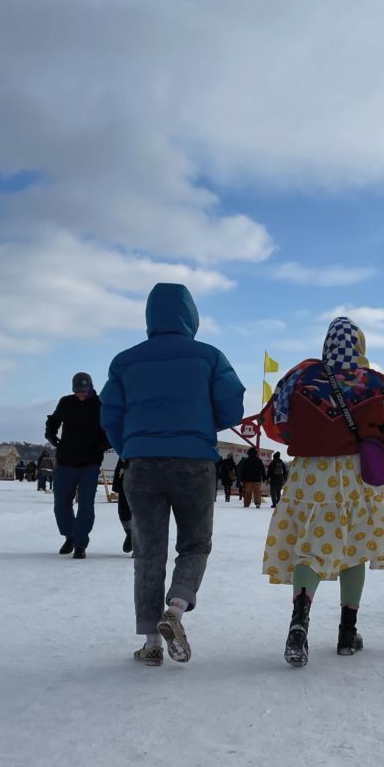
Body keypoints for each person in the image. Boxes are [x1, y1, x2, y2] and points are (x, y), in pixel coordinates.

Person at [100, 283, 245, 667]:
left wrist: (132, 445)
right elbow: (231, 408)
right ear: (191, 315)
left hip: (142, 464)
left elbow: (109, 415)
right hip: (194, 462)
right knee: (195, 544)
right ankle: (175, 609)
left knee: (148, 552)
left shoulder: (125, 361)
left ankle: (151, 643)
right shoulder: (209, 357)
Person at [262, 316, 384, 667]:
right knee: (356, 546)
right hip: (356, 473)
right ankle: (348, 633)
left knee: (310, 546)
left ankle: (298, 625)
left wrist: (311, 435)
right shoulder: (374, 382)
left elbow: (276, 421)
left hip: (310, 473)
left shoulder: (301, 378)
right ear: (359, 346)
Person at [45, 372, 111, 559]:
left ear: (90, 387)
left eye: (84, 390)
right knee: (61, 504)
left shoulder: (100, 404)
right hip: (66, 460)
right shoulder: (66, 402)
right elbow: (54, 420)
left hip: (90, 462)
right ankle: (70, 536)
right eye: (77, 391)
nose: (81, 394)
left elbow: (111, 426)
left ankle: (81, 543)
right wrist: (50, 434)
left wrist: (105, 444)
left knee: (86, 505)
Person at [111, 457, 133, 553]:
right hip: (128, 460)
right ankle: (130, 534)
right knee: (124, 511)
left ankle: (138, 542)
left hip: (152, 465)